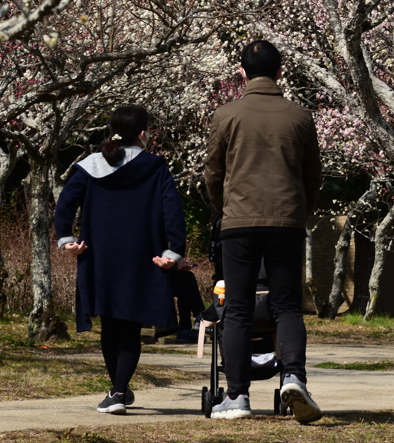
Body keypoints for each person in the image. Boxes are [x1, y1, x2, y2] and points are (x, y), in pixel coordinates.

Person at [204, 40, 324, 423]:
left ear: (241, 73)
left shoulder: (226, 115)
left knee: (238, 308)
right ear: (280, 71)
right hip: (287, 222)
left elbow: (213, 173)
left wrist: (225, 209)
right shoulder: (300, 117)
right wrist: (299, 212)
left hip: (238, 222)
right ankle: (294, 377)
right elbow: (313, 176)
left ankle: (237, 396)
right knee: (287, 306)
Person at [54, 105, 186, 415]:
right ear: (143, 133)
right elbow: (172, 210)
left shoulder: (91, 165)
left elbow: (65, 202)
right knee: (129, 324)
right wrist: (173, 251)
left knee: (110, 323)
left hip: (99, 255)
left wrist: (67, 239)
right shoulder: (155, 167)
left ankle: (118, 391)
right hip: (141, 256)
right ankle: (118, 390)